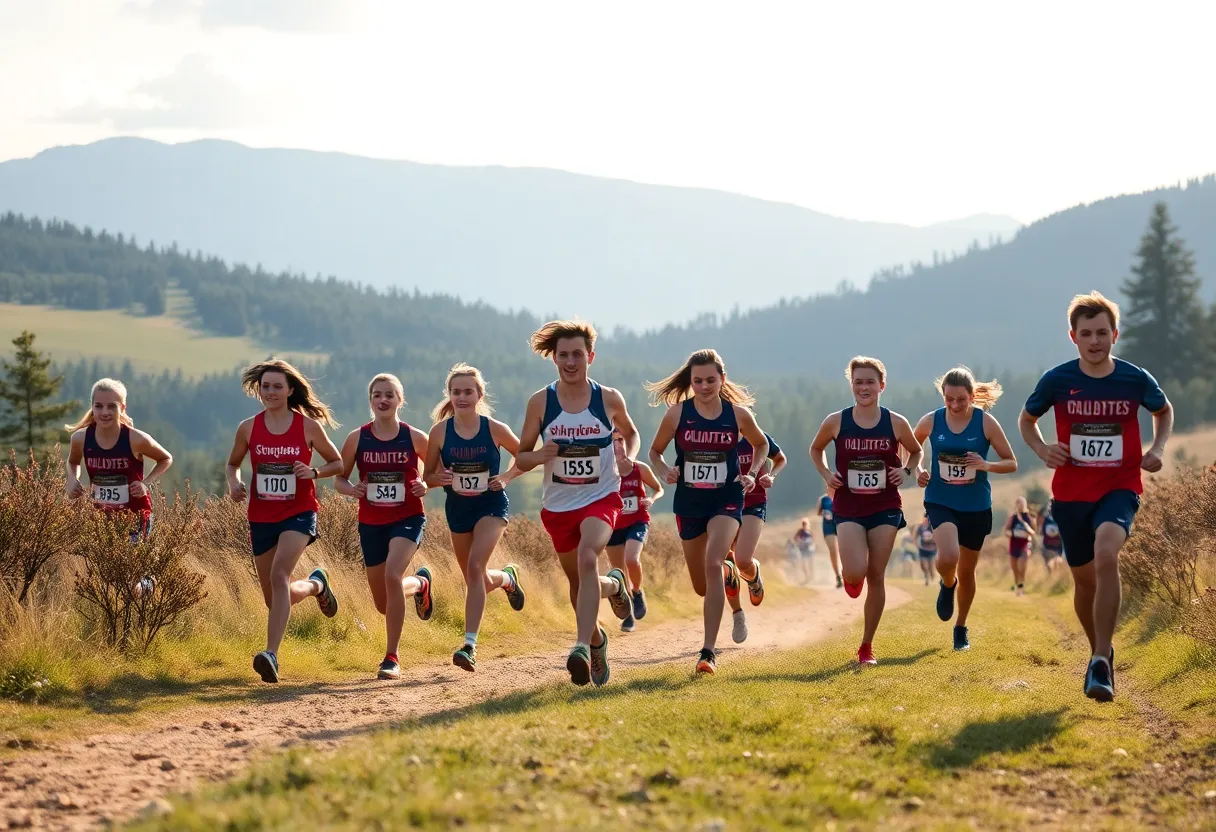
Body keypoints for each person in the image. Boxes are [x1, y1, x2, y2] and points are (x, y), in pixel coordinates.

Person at [1019, 290, 1172, 701]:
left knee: (1107, 553)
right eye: (1086, 333)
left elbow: (1163, 410)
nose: (1095, 341)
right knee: (1084, 583)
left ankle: (1102, 658)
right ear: (1073, 337)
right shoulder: (1057, 380)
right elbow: (1027, 420)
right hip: (1070, 495)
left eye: (1102, 332)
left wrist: (1157, 449)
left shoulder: (1134, 379)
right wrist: (1042, 449)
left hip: (1120, 487)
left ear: (1115, 334)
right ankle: (1098, 652)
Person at [515, 320, 637, 687]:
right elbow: (522, 456)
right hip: (558, 505)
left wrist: (628, 457)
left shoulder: (608, 398)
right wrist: (541, 455)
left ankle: (581, 646)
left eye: (577, 355)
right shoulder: (541, 402)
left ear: (590, 357)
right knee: (579, 582)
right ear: (554, 358)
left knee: (587, 558)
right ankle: (606, 611)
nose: (571, 362)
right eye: (564, 355)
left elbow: (631, 433)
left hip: (602, 496)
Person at [647, 349, 769, 675]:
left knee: (713, 561)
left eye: (710, 380)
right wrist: (665, 470)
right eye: (698, 381)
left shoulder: (738, 415)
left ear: (722, 379)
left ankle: (708, 652)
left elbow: (761, 444)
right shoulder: (677, 414)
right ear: (691, 381)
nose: (704, 387)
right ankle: (729, 574)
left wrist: (752, 472)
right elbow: (655, 452)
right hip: (689, 503)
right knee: (702, 585)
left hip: (726, 499)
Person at [225, 359, 344, 684]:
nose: (271, 392)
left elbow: (337, 463)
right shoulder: (248, 428)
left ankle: (271, 655)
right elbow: (233, 464)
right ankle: (317, 585)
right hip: (261, 515)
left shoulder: (307, 427)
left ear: (290, 390)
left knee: (280, 575)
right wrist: (234, 484)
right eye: (265, 386)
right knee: (274, 597)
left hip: (299, 511)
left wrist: (314, 472)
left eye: (277, 386)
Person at [810, 356, 922, 666]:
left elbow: (916, 451)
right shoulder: (837, 421)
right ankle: (851, 577)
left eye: (870, 382)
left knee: (876, 575)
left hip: (885, 505)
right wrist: (826, 474)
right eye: (858, 382)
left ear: (881, 385)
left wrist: (907, 471)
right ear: (851, 385)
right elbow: (815, 449)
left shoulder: (896, 422)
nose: (864, 387)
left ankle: (866, 646)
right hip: (848, 505)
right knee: (856, 571)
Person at [424, 364, 527, 671]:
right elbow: (428, 476)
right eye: (456, 392)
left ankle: (469, 645)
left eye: (468, 391)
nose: (462, 397)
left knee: (474, 567)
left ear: (479, 395)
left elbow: (524, 457)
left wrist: (505, 477)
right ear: (449, 395)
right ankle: (507, 579)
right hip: (458, 509)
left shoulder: (494, 428)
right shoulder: (439, 432)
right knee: (476, 578)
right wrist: (440, 478)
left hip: (491, 506)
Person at [334, 374, 435, 681]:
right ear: (370, 400)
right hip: (371, 522)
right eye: (377, 395)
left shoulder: (415, 437)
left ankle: (392, 657)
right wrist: (352, 490)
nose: (383, 400)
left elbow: (438, 471)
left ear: (400, 400)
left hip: (407, 518)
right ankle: (420, 584)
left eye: (389, 394)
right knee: (383, 604)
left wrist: (425, 484)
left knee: (392, 575)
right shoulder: (357, 438)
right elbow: (339, 479)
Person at [913, 367, 1019, 650]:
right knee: (948, 556)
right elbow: (911, 448)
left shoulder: (986, 423)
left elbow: (1011, 462)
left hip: (975, 505)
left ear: (972, 396)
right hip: (940, 499)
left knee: (968, 571)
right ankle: (948, 583)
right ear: (943, 396)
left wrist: (985, 465)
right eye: (949, 399)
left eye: (961, 399)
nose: (955, 405)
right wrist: (918, 470)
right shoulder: (931, 420)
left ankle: (960, 628)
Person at [65, 378, 174, 595]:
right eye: (98, 406)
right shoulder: (81, 438)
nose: (104, 412)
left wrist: (145, 483)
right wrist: (71, 479)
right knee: (109, 577)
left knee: (130, 582)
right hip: (102, 517)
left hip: (136, 516)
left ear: (122, 407)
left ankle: (149, 584)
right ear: (92, 407)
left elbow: (165, 458)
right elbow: (73, 462)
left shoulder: (136, 439)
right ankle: (135, 597)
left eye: (111, 406)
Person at [724, 431, 786, 643]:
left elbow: (780, 459)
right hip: (723, 506)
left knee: (742, 561)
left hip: (754, 504)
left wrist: (771, 475)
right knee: (727, 562)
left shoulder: (758, 437)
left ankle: (753, 576)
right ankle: (738, 615)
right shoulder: (716, 435)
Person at [607, 429, 664, 633]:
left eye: (621, 440)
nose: (618, 445)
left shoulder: (639, 468)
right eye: (613, 442)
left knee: (632, 559)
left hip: (637, 521)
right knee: (619, 573)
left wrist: (651, 499)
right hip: (613, 526)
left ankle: (638, 592)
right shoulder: (605, 472)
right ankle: (628, 616)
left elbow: (659, 488)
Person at [1004, 497, 1035, 595]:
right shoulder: (1013, 517)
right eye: (1019, 503)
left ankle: (1021, 588)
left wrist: (1025, 527)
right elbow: (1006, 530)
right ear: (1016, 505)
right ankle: (1017, 586)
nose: (1021, 505)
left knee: (1022, 568)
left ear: (1025, 505)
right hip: (1014, 545)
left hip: (1024, 545)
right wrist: (1012, 533)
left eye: (1022, 503)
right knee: (1015, 569)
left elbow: (1033, 531)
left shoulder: (1028, 517)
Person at [817, 491, 843, 588]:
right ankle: (838, 576)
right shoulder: (823, 499)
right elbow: (818, 512)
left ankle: (846, 572)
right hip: (828, 526)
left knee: (843, 549)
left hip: (840, 523)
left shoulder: (842, 495)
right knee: (833, 550)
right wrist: (824, 513)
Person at [1039, 500, 1064, 570]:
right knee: (1049, 567)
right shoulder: (1045, 519)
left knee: (1057, 566)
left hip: (1058, 547)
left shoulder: (1061, 519)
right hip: (1047, 547)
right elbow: (1041, 532)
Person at [788, 519, 815, 585]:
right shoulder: (800, 531)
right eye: (803, 524)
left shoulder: (810, 531)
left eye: (805, 524)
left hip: (810, 549)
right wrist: (799, 542)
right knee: (804, 563)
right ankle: (807, 577)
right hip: (803, 550)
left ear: (807, 524)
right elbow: (795, 538)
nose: (804, 525)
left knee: (810, 563)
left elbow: (813, 539)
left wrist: (810, 543)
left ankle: (811, 577)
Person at [914, 516, 937, 585]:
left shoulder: (932, 526)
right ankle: (926, 579)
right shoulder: (919, 527)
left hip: (932, 549)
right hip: (922, 549)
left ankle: (933, 578)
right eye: (925, 517)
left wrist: (930, 540)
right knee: (924, 566)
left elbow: (936, 536)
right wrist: (917, 545)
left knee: (931, 565)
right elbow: (915, 537)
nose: (926, 519)